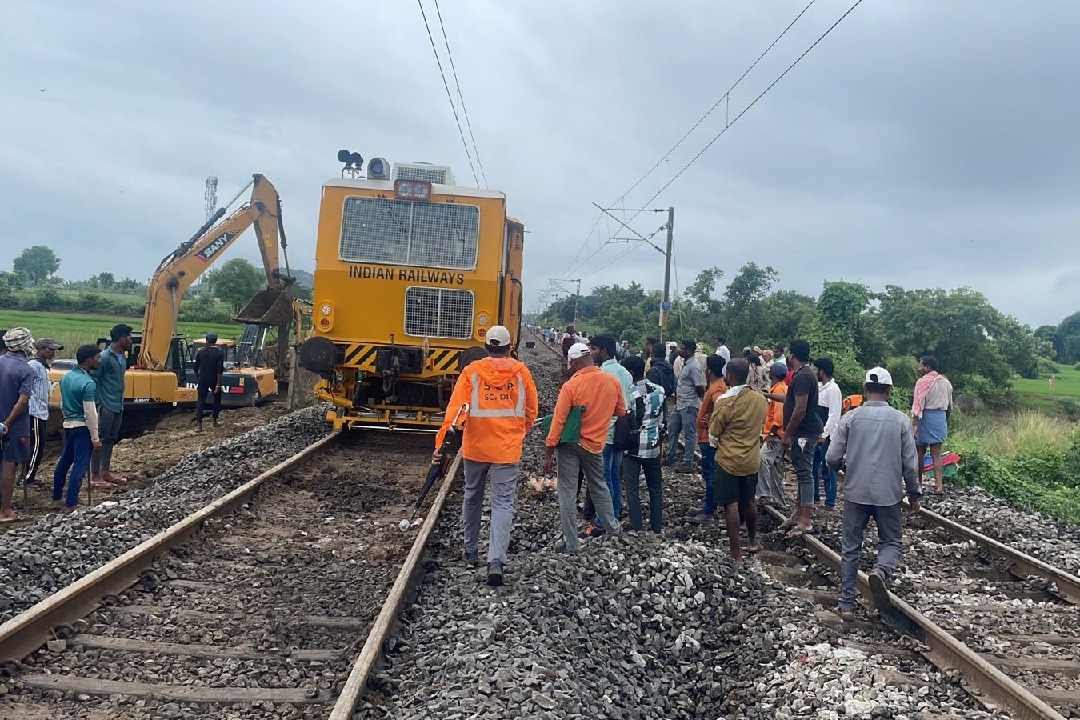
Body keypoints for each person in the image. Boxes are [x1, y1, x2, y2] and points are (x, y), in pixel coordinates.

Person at [433, 326, 537, 586]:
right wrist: (515, 432)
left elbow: (455, 412)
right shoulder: (521, 373)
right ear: (509, 345)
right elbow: (531, 410)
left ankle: (470, 551)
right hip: (506, 449)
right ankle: (495, 561)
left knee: (472, 494)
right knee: (502, 503)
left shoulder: (472, 372)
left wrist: (441, 445)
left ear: (486, 345)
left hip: (476, 447)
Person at [827, 366, 921, 622]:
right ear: (888, 390)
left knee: (850, 548)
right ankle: (880, 570)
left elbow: (832, 457)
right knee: (891, 542)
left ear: (865, 389)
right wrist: (914, 494)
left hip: (855, 492)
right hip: (888, 495)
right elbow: (910, 465)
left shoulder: (851, 418)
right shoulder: (900, 420)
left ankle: (846, 605)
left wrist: (840, 467)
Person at [543, 342, 624, 554]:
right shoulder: (612, 381)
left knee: (567, 493)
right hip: (596, 445)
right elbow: (621, 411)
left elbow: (558, 421)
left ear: (576, 361)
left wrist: (549, 452)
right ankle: (613, 530)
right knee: (599, 486)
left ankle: (572, 545)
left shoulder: (571, 386)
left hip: (569, 445)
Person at [708, 358, 768, 561]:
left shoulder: (725, 401)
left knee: (731, 505)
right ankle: (752, 541)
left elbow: (714, 433)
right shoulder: (760, 399)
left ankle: (735, 552)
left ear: (729, 376)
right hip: (751, 460)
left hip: (728, 461)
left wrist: (716, 445)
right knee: (749, 502)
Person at [582, 335, 633, 538]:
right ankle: (614, 514)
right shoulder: (625, 373)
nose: (591, 353)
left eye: (593, 349)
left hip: (604, 433)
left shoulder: (602, 373)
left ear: (603, 351)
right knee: (613, 476)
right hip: (620, 433)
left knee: (602, 481)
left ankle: (601, 521)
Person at [772, 339, 822, 538]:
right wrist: (768, 394)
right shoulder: (805, 374)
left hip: (803, 433)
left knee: (804, 473)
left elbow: (800, 408)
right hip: (804, 432)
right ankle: (798, 514)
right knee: (802, 472)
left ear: (792, 355)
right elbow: (792, 400)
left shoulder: (802, 376)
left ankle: (805, 520)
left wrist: (787, 433)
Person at [53, 345, 103, 512]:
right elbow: (90, 413)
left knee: (65, 460)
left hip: (68, 425)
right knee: (80, 465)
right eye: (97, 357)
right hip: (82, 428)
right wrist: (95, 438)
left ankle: (57, 496)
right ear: (89, 360)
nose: (99, 360)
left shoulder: (66, 377)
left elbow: (61, 404)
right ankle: (71, 502)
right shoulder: (88, 383)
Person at [619, 356, 665, 533]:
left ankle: (637, 527)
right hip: (653, 445)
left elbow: (625, 419)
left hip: (633, 446)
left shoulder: (629, 393)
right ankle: (656, 527)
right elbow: (661, 421)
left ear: (630, 373)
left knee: (632, 489)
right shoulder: (659, 391)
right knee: (655, 489)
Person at [0, 327, 35, 522]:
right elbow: (22, 401)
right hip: (14, 426)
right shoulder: (25, 369)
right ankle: (5, 510)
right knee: (9, 465)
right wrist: (7, 422)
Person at [90, 323, 132, 487]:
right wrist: (96, 403)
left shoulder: (122, 357)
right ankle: (95, 475)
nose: (130, 340)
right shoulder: (105, 357)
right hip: (106, 405)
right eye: (128, 336)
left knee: (110, 439)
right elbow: (95, 380)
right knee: (100, 440)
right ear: (121, 338)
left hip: (117, 404)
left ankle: (105, 472)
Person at [689, 354, 727, 524]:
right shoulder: (717, 385)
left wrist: (711, 417)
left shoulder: (717, 388)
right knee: (710, 473)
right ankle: (709, 505)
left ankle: (709, 510)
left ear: (709, 370)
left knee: (710, 474)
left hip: (708, 438)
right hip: (706, 436)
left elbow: (720, 405)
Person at [23, 337, 63, 486]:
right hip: (34, 411)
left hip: (40, 410)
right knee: (36, 446)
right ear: (40, 349)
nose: (52, 352)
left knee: (38, 445)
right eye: (49, 349)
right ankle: (27, 478)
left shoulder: (43, 366)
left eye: (53, 350)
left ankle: (29, 475)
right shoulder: (33, 365)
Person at [912, 356, 954, 494]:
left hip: (925, 417)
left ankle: (919, 484)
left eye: (921, 366)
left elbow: (917, 405)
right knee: (936, 454)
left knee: (920, 452)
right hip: (940, 418)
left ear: (927, 367)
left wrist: (914, 425)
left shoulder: (922, 382)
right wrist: (944, 420)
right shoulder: (946, 383)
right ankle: (939, 486)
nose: (919, 368)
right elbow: (949, 406)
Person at [663, 339, 705, 472]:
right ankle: (671, 456)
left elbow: (699, 387)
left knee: (689, 434)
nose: (680, 351)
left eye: (682, 348)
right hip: (680, 403)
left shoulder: (693, 366)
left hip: (689, 404)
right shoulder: (687, 364)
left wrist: (697, 401)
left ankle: (688, 462)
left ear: (689, 351)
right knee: (673, 429)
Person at [757, 361, 789, 509]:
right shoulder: (778, 388)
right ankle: (779, 501)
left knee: (761, 459)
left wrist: (771, 433)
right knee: (775, 468)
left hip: (776, 435)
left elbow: (780, 416)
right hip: (776, 435)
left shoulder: (780, 390)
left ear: (773, 374)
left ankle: (764, 494)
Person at [812, 357, 842, 509]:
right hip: (818, 432)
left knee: (827, 467)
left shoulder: (833, 390)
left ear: (822, 372)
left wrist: (824, 435)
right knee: (814, 464)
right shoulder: (819, 387)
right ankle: (815, 496)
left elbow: (834, 415)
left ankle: (830, 501)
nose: (814, 372)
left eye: (816, 369)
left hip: (827, 435)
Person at [193, 331, 226, 432]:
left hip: (203, 379)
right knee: (216, 400)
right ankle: (215, 422)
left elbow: (195, 367)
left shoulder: (201, 352)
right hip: (214, 380)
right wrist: (218, 385)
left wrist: (198, 378)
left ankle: (199, 426)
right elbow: (219, 370)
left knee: (200, 401)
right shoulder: (219, 353)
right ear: (215, 341)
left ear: (206, 340)